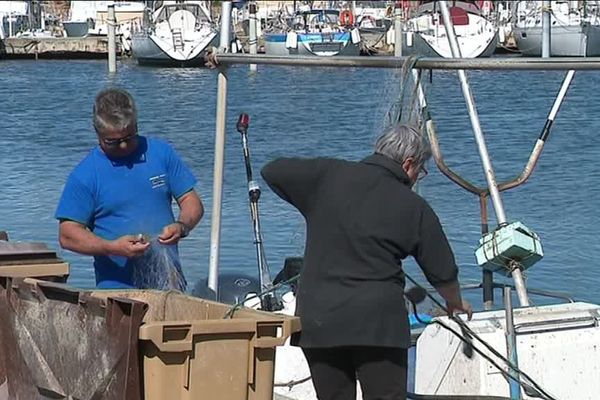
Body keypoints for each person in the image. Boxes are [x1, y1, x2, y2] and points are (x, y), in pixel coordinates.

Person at [261, 123, 472, 400]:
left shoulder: (327, 176)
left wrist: (311, 192)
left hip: (320, 321)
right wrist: (454, 301)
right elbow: (442, 270)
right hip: (378, 326)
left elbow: (272, 171)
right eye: (420, 171)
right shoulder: (413, 206)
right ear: (408, 163)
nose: (418, 177)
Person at [55, 88, 203, 289]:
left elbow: (191, 202)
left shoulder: (161, 153)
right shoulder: (85, 175)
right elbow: (68, 235)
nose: (123, 146)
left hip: (169, 283)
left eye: (129, 137)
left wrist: (182, 226)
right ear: (97, 132)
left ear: (136, 125)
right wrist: (112, 247)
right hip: (117, 294)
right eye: (113, 142)